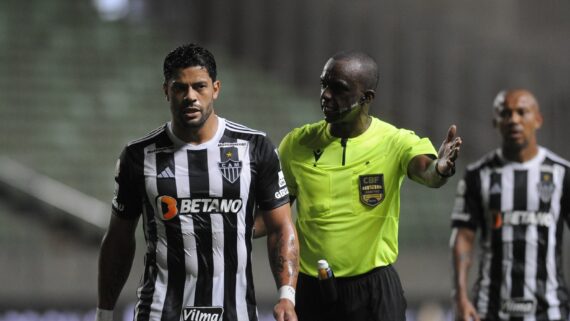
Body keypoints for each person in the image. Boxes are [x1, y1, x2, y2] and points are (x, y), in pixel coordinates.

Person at [96, 43, 299, 321]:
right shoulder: (138, 156)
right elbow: (119, 239)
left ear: (215, 88)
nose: (190, 96)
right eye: (180, 87)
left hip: (234, 312)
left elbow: (281, 226)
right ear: (166, 91)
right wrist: (104, 313)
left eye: (199, 86)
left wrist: (287, 296)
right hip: (161, 312)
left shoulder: (255, 147)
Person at [259, 50, 462, 321]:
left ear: (366, 98)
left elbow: (427, 172)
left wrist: (441, 168)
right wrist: (228, 222)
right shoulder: (297, 144)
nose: (326, 95)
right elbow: (275, 215)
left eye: (338, 88)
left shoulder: (396, 141)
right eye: (324, 84)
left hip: (375, 290)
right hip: (313, 287)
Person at [450, 89, 570, 321]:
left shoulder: (563, 174)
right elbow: (463, 238)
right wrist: (460, 296)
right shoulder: (478, 174)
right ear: (496, 122)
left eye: (521, 112)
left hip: (550, 310)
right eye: (506, 113)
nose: (513, 119)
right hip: (491, 309)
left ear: (538, 119)